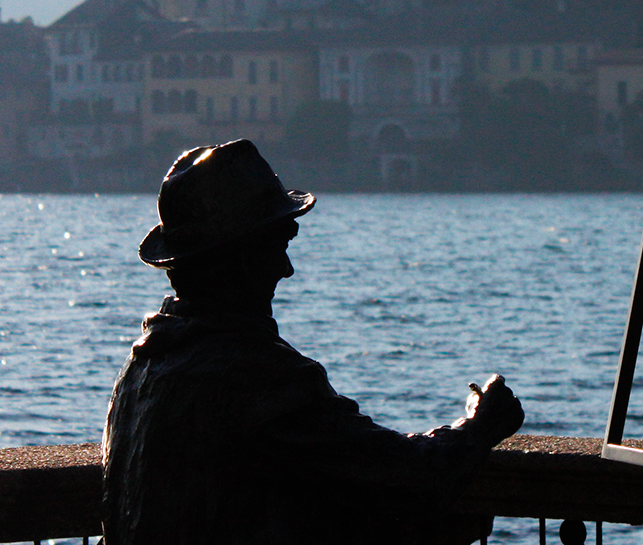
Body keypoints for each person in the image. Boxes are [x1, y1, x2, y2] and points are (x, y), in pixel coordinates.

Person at [103, 140, 524, 545]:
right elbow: (405, 478)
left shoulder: (139, 371)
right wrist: (480, 426)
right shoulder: (257, 377)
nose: (285, 270)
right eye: (276, 247)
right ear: (239, 258)